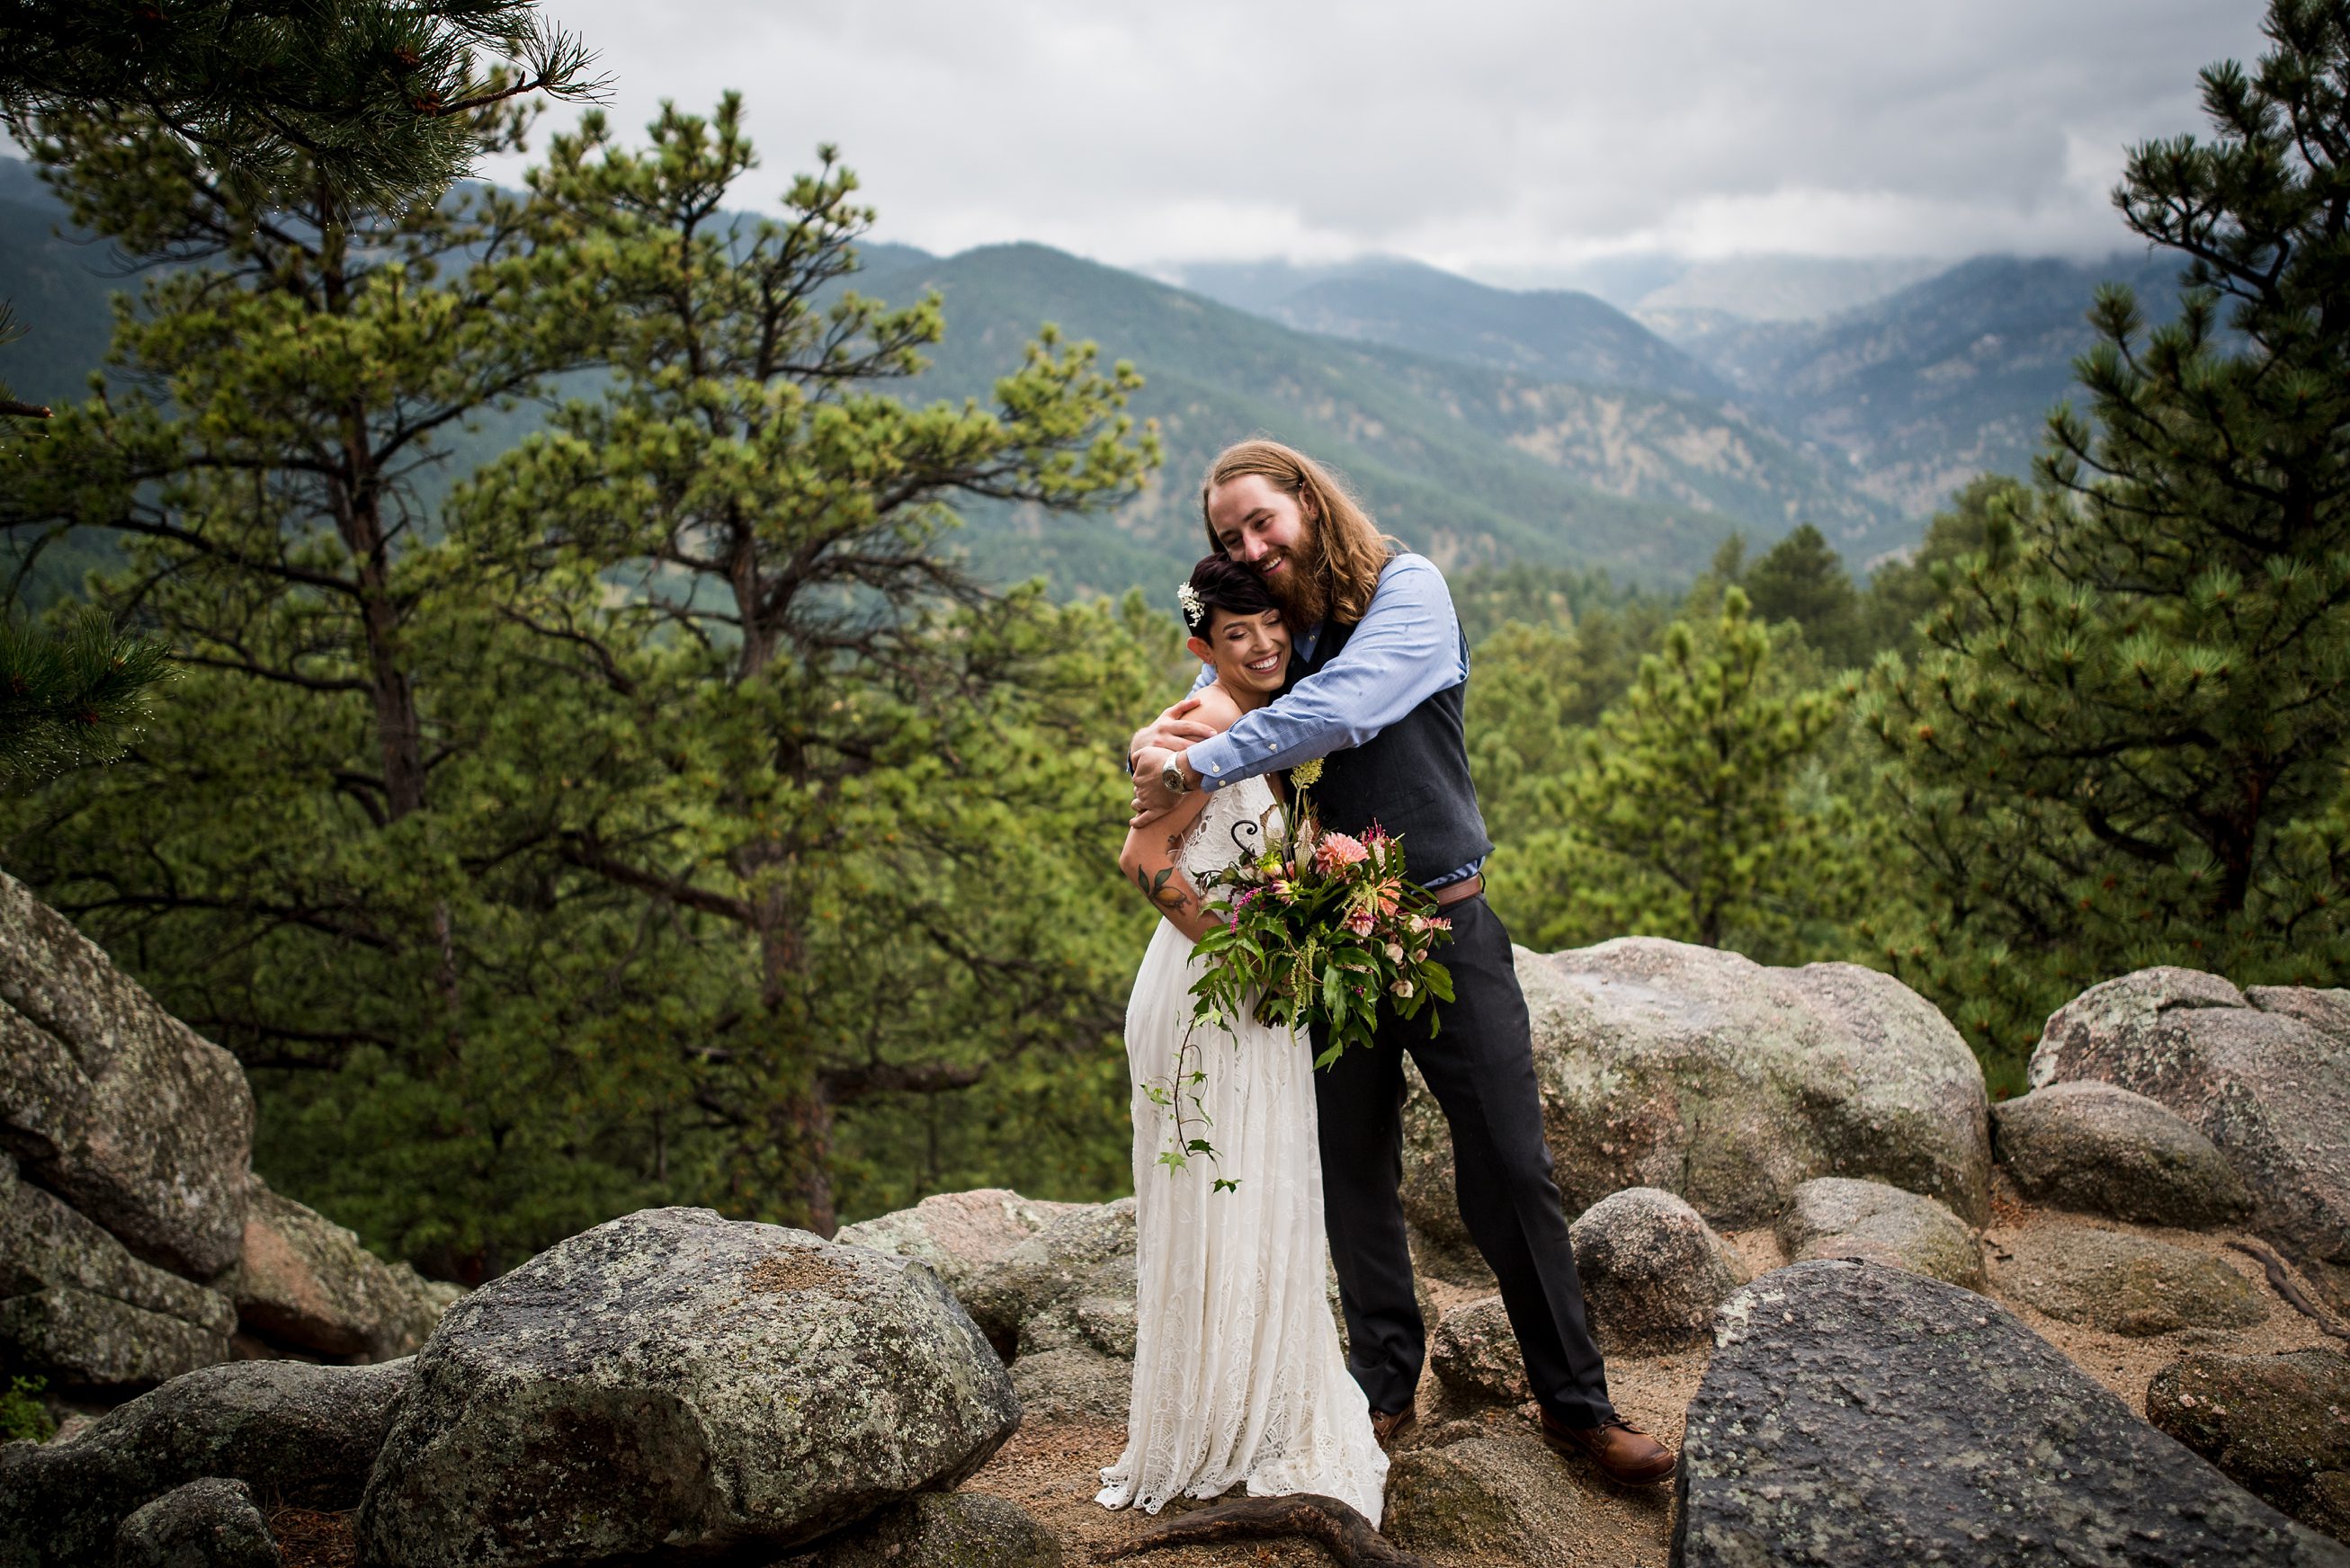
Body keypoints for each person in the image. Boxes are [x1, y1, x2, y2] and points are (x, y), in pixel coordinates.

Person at [1127, 440, 1677, 1488]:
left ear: (1307, 499)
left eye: (1262, 520)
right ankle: (1381, 1386)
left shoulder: (1406, 591)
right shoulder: (1281, 635)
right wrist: (1167, 736)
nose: (1251, 544)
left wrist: (1189, 760)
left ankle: (1577, 1405)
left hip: (1445, 926)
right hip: (1329, 942)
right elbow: (1229, 697)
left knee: (1510, 1169)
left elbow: (1345, 708)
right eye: (1229, 536)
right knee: (1351, 1172)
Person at [1098, 553, 1389, 1524]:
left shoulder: (1257, 718)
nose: (1263, 644)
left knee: (1257, 1192)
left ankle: (1247, 1409)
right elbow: (1143, 860)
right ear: (1202, 644)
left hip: (1251, 990)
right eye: (1238, 634)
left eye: (1272, 625)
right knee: (1225, 1193)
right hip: (1209, 993)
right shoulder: (1210, 723)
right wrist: (1243, 953)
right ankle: (1214, 1428)